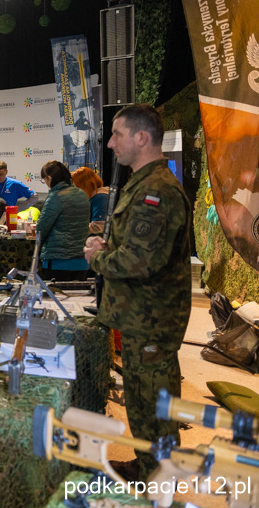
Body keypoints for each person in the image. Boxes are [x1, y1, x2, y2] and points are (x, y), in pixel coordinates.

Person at [84, 103, 192, 480]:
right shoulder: (144, 182)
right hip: (139, 317)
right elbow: (134, 245)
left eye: (118, 134)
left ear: (142, 138)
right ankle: (148, 467)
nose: (111, 143)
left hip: (151, 321)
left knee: (155, 408)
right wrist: (105, 243)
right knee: (143, 404)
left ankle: (161, 482)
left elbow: (138, 261)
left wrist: (97, 258)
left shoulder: (156, 191)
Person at [35, 160, 90, 281]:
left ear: (49, 178)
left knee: (57, 298)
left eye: (44, 180)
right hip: (82, 260)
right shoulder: (82, 194)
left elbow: (41, 229)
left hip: (58, 261)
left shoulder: (55, 197)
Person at [72, 167, 109, 235]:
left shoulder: (100, 198)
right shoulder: (96, 197)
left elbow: (98, 227)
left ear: (83, 185)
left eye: (77, 187)